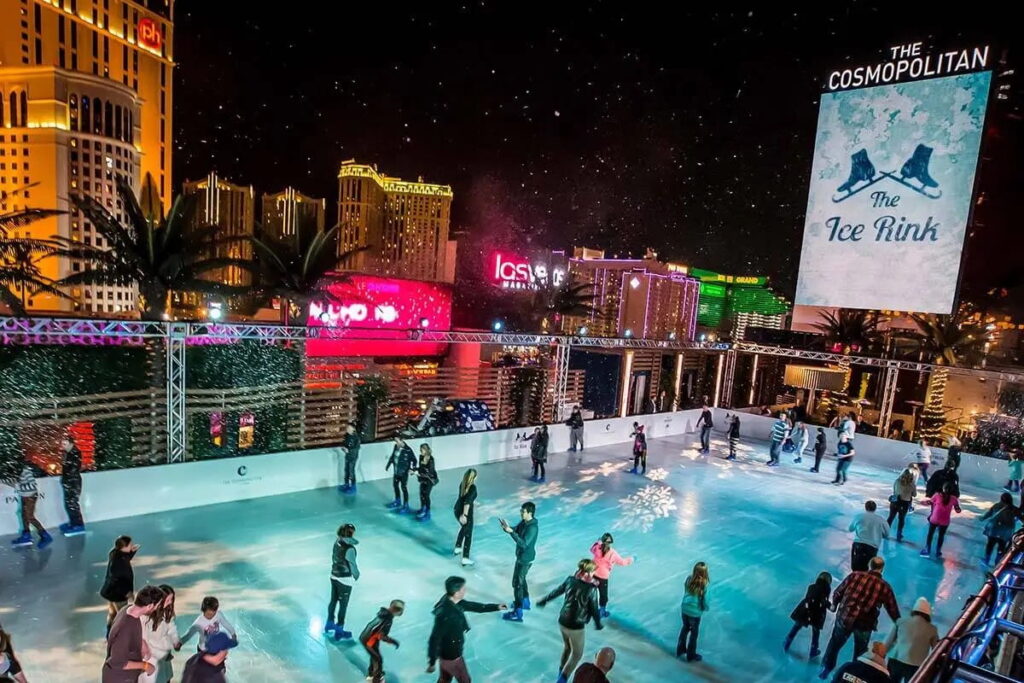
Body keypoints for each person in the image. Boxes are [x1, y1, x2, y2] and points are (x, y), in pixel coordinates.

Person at [818, 556, 900, 680]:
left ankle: (826, 668)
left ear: (869, 565)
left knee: (834, 644)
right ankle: (856, 674)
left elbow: (838, 592)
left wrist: (834, 605)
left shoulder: (854, 576)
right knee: (860, 651)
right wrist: (900, 624)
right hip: (865, 624)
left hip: (845, 618)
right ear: (882, 569)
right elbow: (893, 609)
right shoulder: (884, 587)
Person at [426, 576, 505, 683]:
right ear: (456, 593)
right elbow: (435, 638)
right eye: (463, 589)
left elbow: (475, 606)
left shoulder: (454, 601)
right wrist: (432, 662)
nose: (465, 590)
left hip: (446, 656)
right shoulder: (445, 615)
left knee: (445, 679)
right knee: (465, 680)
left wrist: (496, 607)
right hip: (452, 656)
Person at [537, 559, 604, 683]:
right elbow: (594, 609)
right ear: (588, 572)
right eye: (593, 571)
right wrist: (598, 624)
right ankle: (561, 680)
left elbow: (557, 591)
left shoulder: (570, 580)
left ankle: (560, 673)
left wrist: (544, 600)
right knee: (577, 655)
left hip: (562, 621)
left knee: (567, 647)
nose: (594, 573)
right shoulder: (591, 589)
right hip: (575, 626)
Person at [102, 584, 164, 683]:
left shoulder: (129, 609)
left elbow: (128, 636)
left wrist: (142, 642)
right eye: (157, 605)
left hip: (127, 677)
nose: (156, 608)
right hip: (119, 679)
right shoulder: (125, 628)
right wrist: (146, 666)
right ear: (150, 606)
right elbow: (118, 663)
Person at [500, 501, 539, 622]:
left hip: (526, 558)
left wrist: (511, 532)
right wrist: (507, 529)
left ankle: (518, 613)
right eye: (521, 511)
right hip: (521, 557)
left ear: (530, 513)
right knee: (521, 580)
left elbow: (523, 544)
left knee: (517, 584)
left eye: (523, 511)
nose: (521, 513)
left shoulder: (532, 528)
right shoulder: (524, 522)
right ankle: (525, 602)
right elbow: (515, 530)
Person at [884, 598, 939, 683]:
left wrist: (880, 655)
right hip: (916, 665)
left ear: (914, 610)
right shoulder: (932, 629)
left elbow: (888, 642)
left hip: (896, 660)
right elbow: (936, 649)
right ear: (928, 614)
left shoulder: (901, 622)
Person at [3, 457, 52, 549]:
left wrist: (18, 486)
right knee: (24, 516)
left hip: (30, 496)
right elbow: (14, 481)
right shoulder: (17, 471)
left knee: (29, 517)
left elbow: (32, 486)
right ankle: (26, 535)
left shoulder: (26, 471)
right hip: (24, 496)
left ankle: (45, 536)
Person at [785, 571, 832, 659]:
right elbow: (823, 601)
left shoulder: (811, 587)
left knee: (797, 626)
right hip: (817, 613)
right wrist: (830, 606)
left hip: (805, 610)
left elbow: (809, 597)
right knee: (816, 632)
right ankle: (813, 650)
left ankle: (787, 641)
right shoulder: (826, 590)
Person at [101, 535, 140, 637]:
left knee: (113, 614)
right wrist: (127, 593)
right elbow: (116, 580)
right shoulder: (117, 562)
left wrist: (132, 551)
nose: (132, 545)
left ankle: (109, 635)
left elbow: (125, 557)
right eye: (130, 544)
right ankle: (120, 637)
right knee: (122, 617)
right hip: (117, 594)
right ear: (124, 547)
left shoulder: (116, 553)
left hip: (111, 592)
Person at [140, 584, 181, 683]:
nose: (170, 602)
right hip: (150, 661)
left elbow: (172, 629)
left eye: (172, 600)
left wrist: (176, 641)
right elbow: (145, 640)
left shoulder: (167, 614)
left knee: (164, 678)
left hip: (163, 663)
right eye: (168, 600)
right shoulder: (146, 617)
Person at [325, 523, 359, 640]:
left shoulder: (337, 542)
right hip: (345, 580)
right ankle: (339, 630)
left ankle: (329, 623)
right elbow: (352, 565)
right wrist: (356, 575)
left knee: (333, 601)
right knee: (343, 606)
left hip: (334, 575)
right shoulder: (350, 549)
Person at [589, 533, 634, 618]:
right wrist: (632, 559)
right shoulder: (613, 553)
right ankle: (602, 612)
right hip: (603, 577)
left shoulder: (597, 548)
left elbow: (591, 549)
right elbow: (623, 562)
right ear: (611, 542)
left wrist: (597, 542)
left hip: (592, 574)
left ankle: (586, 608)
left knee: (589, 591)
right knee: (603, 596)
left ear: (602, 540)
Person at [359, 600, 405, 683]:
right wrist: (393, 641)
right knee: (378, 659)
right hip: (369, 640)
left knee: (374, 656)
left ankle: (371, 674)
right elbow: (382, 636)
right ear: (396, 610)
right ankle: (376, 679)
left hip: (369, 637)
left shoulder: (383, 613)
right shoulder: (388, 620)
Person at [677, 561, 710, 662]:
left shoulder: (688, 579)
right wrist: (705, 607)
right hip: (695, 613)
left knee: (685, 628)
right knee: (694, 634)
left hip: (685, 609)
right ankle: (691, 655)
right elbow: (705, 600)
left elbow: (686, 591)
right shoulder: (704, 585)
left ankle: (680, 650)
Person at [919, 482, 961, 559]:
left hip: (935, 519)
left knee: (930, 534)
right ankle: (938, 552)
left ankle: (927, 549)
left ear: (943, 488)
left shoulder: (937, 495)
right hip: (945, 521)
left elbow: (929, 502)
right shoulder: (954, 499)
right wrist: (957, 507)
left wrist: (922, 502)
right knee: (941, 536)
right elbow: (958, 510)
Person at [980, 493, 1024, 566]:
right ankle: (997, 563)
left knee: (990, 545)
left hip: (994, 530)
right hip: (1005, 532)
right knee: (1001, 547)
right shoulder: (1014, 509)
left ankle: (986, 560)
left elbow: (989, 514)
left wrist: (982, 518)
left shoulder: (996, 506)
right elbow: (1022, 518)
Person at [849, 501, 890, 572]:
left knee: (855, 568)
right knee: (867, 569)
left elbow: (850, 529)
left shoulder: (859, 516)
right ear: (875, 508)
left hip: (858, 544)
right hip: (872, 546)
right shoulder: (881, 520)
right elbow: (887, 534)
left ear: (865, 507)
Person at [59, 433, 86, 536]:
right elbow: (66, 468)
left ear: (71, 443)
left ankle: (78, 525)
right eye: (62, 444)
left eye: (64, 444)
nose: (63, 446)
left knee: (72, 503)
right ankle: (74, 523)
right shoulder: (67, 453)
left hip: (73, 482)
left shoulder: (75, 453)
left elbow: (73, 469)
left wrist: (67, 478)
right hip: (69, 481)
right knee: (69, 503)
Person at [385, 436, 418, 513]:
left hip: (404, 472)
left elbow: (414, 460)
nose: (396, 443)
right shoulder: (396, 447)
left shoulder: (408, 450)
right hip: (396, 471)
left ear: (402, 440)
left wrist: (412, 468)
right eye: (395, 441)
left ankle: (406, 505)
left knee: (403, 488)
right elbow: (393, 456)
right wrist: (388, 465)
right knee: (395, 485)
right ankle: (398, 500)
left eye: (397, 441)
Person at [453, 469, 477, 567]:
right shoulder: (472, 488)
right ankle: (465, 558)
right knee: (468, 534)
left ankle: (458, 547)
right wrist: (465, 515)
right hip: (465, 512)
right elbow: (467, 502)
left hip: (457, 509)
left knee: (464, 528)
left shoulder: (462, 484)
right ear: (474, 477)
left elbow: (465, 498)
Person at [887, 467, 918, 542]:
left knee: (891, 517)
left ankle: (885, 532)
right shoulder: (912, 484)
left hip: (895, 501)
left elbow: (894, 490)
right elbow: (914, 495)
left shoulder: (897, 481)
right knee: (901, 519)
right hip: (904, 504)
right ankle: (899, 534)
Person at [416, 444, 440, 521]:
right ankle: (423, 508)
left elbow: (430, 472)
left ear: (426, 450)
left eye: (422, 450)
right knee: (421, 494)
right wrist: (414, 470)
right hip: (423, 478)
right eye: (420, 450)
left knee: (426, 495)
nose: (420, 451)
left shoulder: (431, 460)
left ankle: (428, 513)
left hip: (430, 479)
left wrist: (419, 474)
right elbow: (420, 468)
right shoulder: (421, 457)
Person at [339, 423, 361, 494]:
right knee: (346, 470)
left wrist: (349, 450)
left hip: (353, 457)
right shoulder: (346, 436)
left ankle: (353, 487)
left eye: (349, 428)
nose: (347, 429)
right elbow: (344, 443)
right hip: (347, 456)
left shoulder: (356, 438)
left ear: (353, 429)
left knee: (351, 471)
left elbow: (356, 448)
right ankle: (346, 484)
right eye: (347, 428)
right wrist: (343, 448)